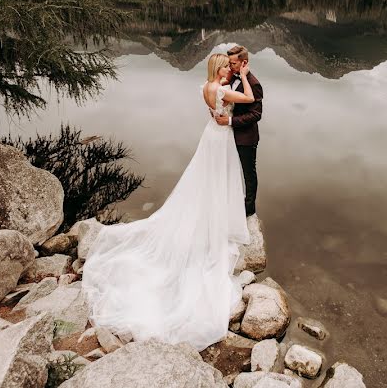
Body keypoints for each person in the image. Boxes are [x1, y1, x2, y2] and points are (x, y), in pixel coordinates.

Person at [81, 53, 253, 351]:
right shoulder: (223, 90)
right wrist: (246, 75)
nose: (229, 68)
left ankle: (208, 214)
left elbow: (215, 108)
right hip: (221, 137)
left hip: (211, 135)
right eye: (225, 65)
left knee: (207, 179)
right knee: (218, 178)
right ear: (217, 68)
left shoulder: (204, 87)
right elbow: (249, 98)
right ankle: (215, 220)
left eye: (231, 65)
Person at [213, 45, 263, 217]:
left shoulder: (254, 84)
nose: (231, 66)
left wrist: (229, 120)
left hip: (246, 138)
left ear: (244, 63)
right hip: (228, 136)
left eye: (233, 63)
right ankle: (230, 200)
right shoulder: (232, 77)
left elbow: (256, 114)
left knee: (248, 173)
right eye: (229, 63)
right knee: (229, 169)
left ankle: (249, 209)